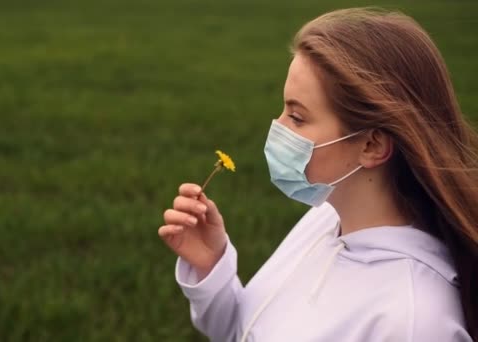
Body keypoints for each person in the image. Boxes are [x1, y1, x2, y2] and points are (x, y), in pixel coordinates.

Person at [158, 8, 477, 342]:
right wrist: (213, 268)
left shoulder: (412, 322)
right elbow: (246, 332)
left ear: (372, 145)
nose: (277, 127)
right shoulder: (325, 218)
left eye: (297, 117)